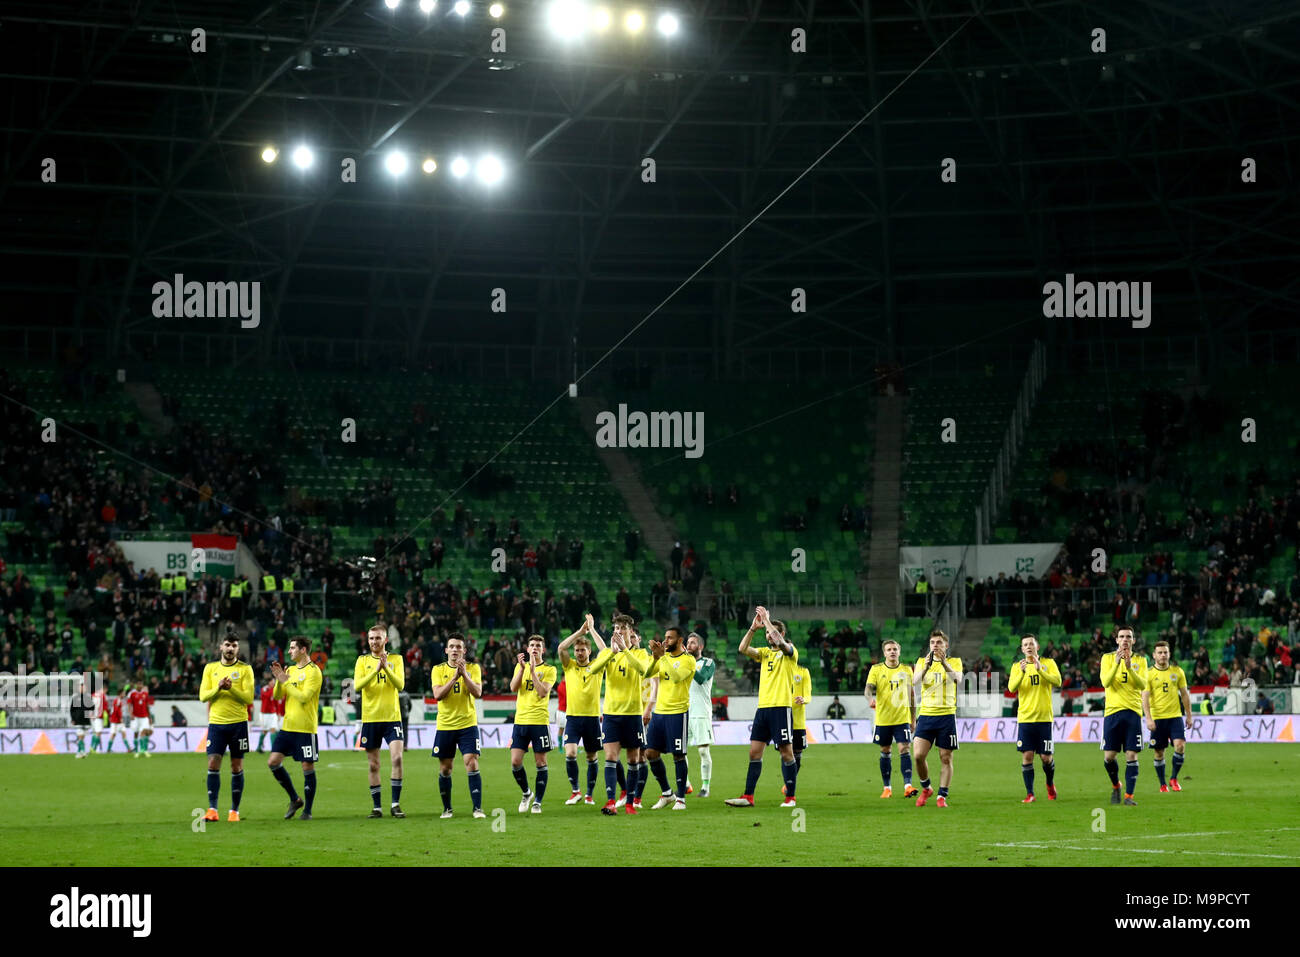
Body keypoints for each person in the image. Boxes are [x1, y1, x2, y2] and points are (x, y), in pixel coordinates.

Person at [725, 606, 799, 809]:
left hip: (781, 708)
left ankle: (790, 797)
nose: (768, 635)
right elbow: (742, 649)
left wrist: (767, 620)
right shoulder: (765, 653)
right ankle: (748, 797)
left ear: (781, 633)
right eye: (766, 632)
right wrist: (753, 628)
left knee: (786, 753)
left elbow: (782, 645)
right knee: (754, 752)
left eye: (771, 631)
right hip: (763, 709)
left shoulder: (790, 653)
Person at [587, 613, 650, 815]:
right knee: (611, 757)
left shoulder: (640, 654)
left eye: (622, 628)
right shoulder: (607, 652)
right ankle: (611, 801)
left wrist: (624, 650)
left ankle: (630, 803)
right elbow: (592, 670)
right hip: (611, 714)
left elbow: (644, 670)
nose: (618, 632)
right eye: (615, 629)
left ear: (630, 631)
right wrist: (612, 653)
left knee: (633, 760)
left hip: (632, 714)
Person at [198, 635, 255, 822]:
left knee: (236, 766)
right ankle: (212, 810)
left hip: (238, 724)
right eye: (228, 645)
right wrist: (219, 687)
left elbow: (248, 698)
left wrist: (231, 688)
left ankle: (234, 811)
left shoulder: (245, 669)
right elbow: (203, 696)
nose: (230, 648)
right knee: (213, 763)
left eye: (234, 646)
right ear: (221, 646)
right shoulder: (210, 668)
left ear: (238, 649)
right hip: (216, 724)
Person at [430, 633, 486, 818]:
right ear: (446, 650)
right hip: (446, 725)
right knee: (446, 768)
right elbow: (437, 695)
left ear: (464, 650)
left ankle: (477, 808)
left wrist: (464, 676)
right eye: (452, 646)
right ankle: (447, 809)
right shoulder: (437, 670)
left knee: (471, 762)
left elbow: (477, 692)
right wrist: (455, 677)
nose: (455, 650)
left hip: (468, 724)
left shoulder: (473, 668)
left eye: (458, 647)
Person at [354, 623, 407, 818]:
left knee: (397, 758)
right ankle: (377, 807)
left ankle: (395, 804)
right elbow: (357, 686)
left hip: (392, 718)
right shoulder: (362, 661)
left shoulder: (396, 659)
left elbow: (400, 685)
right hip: (371, 718)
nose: (374, 642)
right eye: (371, 638)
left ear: (386, 640)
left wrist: (386, 667)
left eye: (378, 638)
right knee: (373, 764)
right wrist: (376, 669)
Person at [267, 637, 323, 820]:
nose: (289, 651)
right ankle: (295, 799)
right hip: (288, 726)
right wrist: (279, 679)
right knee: (273, 762)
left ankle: (308, 811)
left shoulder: (314, 672)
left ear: (303, 650)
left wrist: (286, 681)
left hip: (306, 728)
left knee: (307, 766)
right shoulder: (290, 670)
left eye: (292, 648)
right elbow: (277, 696)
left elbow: (304, 697)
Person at [558, 614, 611, 805]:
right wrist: (580, 632)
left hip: (591, 719)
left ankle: (589, 794)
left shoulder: (597, 667)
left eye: (583, 649)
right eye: (577, 650)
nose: (579, 653)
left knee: (591, 756)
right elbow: (561, 648)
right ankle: (576, 791)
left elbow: (605, 651)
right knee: (570, 753)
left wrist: (593, 629)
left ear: (589, 651)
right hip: (572, 718)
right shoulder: (569, 666)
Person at [643, 625, 697, 810]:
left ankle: (681, 798)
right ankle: (667, 793)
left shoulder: (688, 660)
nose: (666, 641)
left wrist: (663, 656)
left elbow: (675, 678)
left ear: (680, 640)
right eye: (665, 637)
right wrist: (655, 657)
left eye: (670, 638)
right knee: (650, 753)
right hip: (660, 712)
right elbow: (648, 674)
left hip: (678, 712)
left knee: (678, 755)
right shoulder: (663, 657)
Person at [910, 629, 962, 808]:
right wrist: (925, 667)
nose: (935, 646)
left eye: (939, 643)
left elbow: (958, 679)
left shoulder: (955, 662)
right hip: (926, 715)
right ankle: (926, 788)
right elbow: (915, 681)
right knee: (918, 755)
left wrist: (945, 663)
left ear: (946, 645)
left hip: (946, 715)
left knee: (946, 758)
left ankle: (942, 795)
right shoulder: (921, 662)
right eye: (933, 643)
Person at [1008, 633, 1061, 803]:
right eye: (1025, 645)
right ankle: (1030, 793)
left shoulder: (1048, 663)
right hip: (1025, 719)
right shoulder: (1017, 666)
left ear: (1037, 647)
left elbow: (1058, 681)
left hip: (1044, 718)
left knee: (1045, 757)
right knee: (1027, 756)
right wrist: (1023, 673)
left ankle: (1050, 783)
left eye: (1031, 644)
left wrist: (1040, 669)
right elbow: (1011, 688)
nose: (1029, 647)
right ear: (1022, 649)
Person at [509, 634, 557, 813]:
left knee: (540, 762)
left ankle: (537, 801)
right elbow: (513, 688)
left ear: (543, 650)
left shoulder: (550, 669)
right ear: (527, 649)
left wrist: (533, 671)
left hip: (539, 721)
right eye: (532, 645)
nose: (535, 648)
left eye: (538, 645)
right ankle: (527, 793)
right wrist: (523, 669)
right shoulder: (519, 667)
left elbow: (543, 692)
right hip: (520, 721)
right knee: (515, 762)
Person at [1101, 626, 1148, 806]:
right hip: (1112, 712)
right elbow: (1105, 682)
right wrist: (1117, 663)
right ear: (1116, 640)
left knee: (1131, 755)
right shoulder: (1107, 658)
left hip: (1133, 713)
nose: (1125, 639)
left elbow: (1143, 684)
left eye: (1129, 637)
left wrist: (1129, 668)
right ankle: (1116, 785)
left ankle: (1129, 796)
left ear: (1134, 640)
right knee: (1109, 757)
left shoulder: (1140, 661)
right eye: (1122, 636)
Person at [865, 639, 917, 799]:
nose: (892, 651)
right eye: (889, 649)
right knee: (885, 751)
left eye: (895, 649)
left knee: (904, 749)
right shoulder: (876, 669)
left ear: (899, 652)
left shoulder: (907, 670)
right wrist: (870, 699)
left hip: (902, 718)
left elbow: (912, 696)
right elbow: (868, 689)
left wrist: (913, 718)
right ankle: (887, 788)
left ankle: (908, 786)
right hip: (883, 719)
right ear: (884, 653)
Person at [1142, 639, 1190, 793]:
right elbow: (1145, 698)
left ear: (1169, 654)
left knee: (1180, 746)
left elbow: (1184, 695)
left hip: (1175, 717)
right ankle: (1162, 784)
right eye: (1160, 653)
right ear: (1154, 655)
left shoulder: (1177, 672)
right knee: (1159, 752)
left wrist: (1189, 715)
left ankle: (1174, 778)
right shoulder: (1148, 674)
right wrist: (1148, 718)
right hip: (1158, 718)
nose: (1163, 655)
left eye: (1165, 652)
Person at [686, 632, 715, 797]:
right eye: (688, 643)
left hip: (701, 712)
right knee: (680, 751)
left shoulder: (708, 662)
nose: (689, 645)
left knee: (703, 751)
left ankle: (705, 787)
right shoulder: (684, 662)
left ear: (701, 647)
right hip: (684, 711)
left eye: (693, 643)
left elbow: (701, 678)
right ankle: (686, 784)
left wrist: (688, 662)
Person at [784, 658, 813, 797]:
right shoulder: (778, 671)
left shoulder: (803, 671)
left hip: (798, 721)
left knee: (797, 755)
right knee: (785, 753)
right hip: (782, 718)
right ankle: (789, 789)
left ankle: (788, 785)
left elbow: (808, 692)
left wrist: (804, 699)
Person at [126, 678, 155, 758]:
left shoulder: (145, 694)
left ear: (142, 685)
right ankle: (137, 751)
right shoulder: (132, 693)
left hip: (144, 717)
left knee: (144, 732)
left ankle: (144, 750)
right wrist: (130, 713)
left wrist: (149, 717)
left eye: (141, 684)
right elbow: (129, 704)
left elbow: (147, 706)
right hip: (135, 717)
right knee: (136, 733)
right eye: (138, 684)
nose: (140, 685)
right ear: (136, 685)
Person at [256, 676, 281, 753]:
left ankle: (273, 749)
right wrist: (272, 689)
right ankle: (259, 747)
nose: (274, 683)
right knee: (265, 731)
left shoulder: (274, 689)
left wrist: (278, 712)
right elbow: (267, 696)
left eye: (274, 681)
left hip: (273, 713)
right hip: (264, 714)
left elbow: (276, 701)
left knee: (273, 729)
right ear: (269, 682)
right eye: (273, 681)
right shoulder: (265, 689)